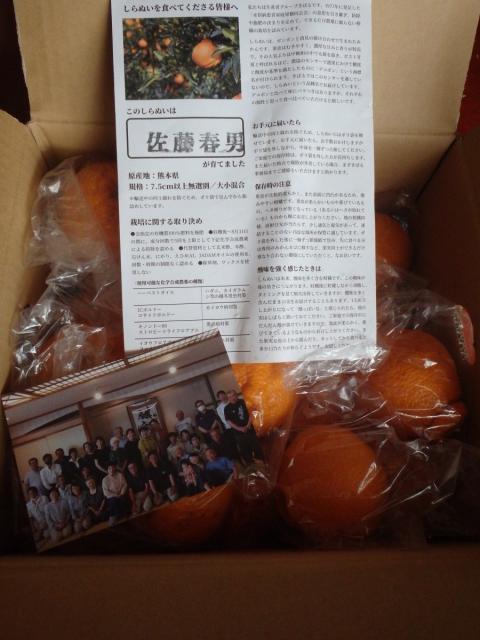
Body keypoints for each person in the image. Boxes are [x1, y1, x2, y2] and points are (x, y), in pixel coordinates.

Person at [224, 389, 264, 464]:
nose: (232, 397)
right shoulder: (227, 408)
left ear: (236, 395)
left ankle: (263, 464)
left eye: (233, 395)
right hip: (238, 433)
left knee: (257, 448)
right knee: (245, 451)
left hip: (250, 430)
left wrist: (248, 425)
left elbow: (252, 413)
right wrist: (240, 429)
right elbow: (228, 421)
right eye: (230, 397)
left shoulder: (244, 402)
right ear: (228, 398)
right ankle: (251, 467)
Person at [216, 389, 239, 459]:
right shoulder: (219, 408)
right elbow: (224, 419)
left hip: (239, 425)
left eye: (223, 395)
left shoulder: (232, 401)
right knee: (233, 444)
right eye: (220, 396)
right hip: (229, 428)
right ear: (219, 398)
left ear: (225, 395)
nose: (222, 397)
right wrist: (232, 425)